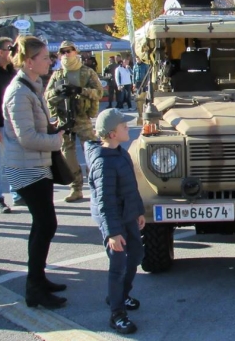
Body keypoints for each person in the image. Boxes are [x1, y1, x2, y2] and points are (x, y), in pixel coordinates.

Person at [2, 35, 67, 308]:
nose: (49, 61)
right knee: (45, 225)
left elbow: (31, 130)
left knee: (42, 225)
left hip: (36, 166)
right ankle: (34, 288)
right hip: (27, 169)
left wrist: (50, 126)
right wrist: (56, 140)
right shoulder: (19, 92)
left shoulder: (31, 86)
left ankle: (38, 280)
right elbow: (26, 137)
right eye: (44, 58)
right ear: (29, 62)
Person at [84, 108, 145, 334]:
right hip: (114, 221)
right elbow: (105, 201)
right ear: (112, 134)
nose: (128, 128)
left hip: (128, 215)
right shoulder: (103, 163)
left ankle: (120, 295)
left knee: (137, 254)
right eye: (124, 126)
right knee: (118, 265)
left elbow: (132, 187)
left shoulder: (121, 153)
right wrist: (112, 233)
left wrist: (139, 211)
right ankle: (117, 314)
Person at [44, 40, 103, 202]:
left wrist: (79, 90)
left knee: (93, 153)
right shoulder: (57, 75)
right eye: (63, 51)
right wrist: (57, 91)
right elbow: (46, 96)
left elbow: (98, 92)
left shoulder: (87, 72)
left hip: (82, 118)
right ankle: (76, 188)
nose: (66, 54)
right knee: (67, 156)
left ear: (75, 52)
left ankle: (98, 186)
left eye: (69, 50)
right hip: (64, 120)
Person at [0, 36, 23, 213]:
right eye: (10, 48)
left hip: (13, 123)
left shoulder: (12, 71)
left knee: (14, 160)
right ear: (0, 52)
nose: (14, 51)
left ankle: (17, 194)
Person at [132, 56, 149, 123]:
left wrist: (147, 82)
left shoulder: (145, 65)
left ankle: (144, 105)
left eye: (138, 59)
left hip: (143, 81)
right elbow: (133, 74)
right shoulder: (135, 66)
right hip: (137, 82)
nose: (137, 60)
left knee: (144, 94)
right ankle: (139, 107)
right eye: (136, 59)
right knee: (138, 95)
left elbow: (147, 74)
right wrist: (133, 83)